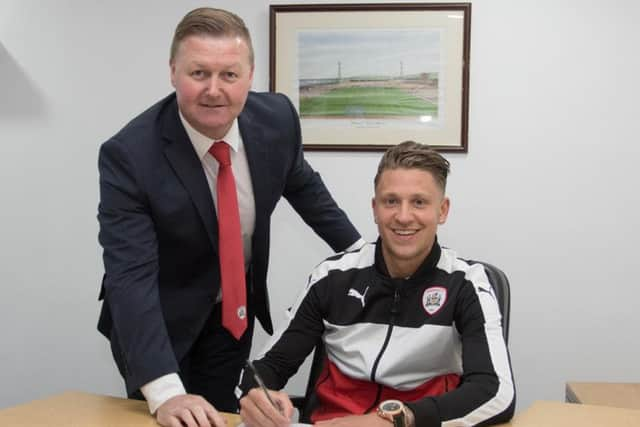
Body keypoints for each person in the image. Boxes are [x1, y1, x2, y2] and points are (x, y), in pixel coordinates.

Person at [97, 7, 362, 427]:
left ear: (251, 75)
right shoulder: (130, 156)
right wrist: (166, 393)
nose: (214, 90)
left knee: (225, 414)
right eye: (198, 73)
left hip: (232, 316)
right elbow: (130, 277)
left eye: (229, 75)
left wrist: (368, 259)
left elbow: (307, 191)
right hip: (160, 321)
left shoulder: (276, 120)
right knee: (176, 418)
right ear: (172, 72)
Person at [238, 141, 516, 427]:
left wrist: (394, 419)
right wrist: (257, 396)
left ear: (442, 210)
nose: (403, 216)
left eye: (419, 202)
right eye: (391, 201)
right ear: (375, 208)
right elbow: (265, 368)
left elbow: (496, 392)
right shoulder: (332, 277)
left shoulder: (467, 283)